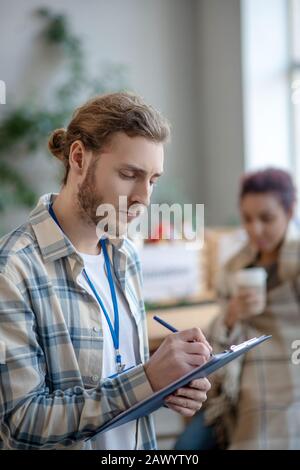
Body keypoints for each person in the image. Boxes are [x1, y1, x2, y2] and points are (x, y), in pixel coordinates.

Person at [0, 92, 211, 450]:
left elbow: (116, 375)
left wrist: (168, 384)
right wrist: (146, 379)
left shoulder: (125, 254)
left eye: (153, 180)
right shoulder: (13, 269)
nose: (144, 197)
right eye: (130, 174)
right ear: (79, 157)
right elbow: (22, 421)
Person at [175, 167, 300, 450]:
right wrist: (232, 315)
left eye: (267, 218)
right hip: (237, 382)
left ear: (290, 211)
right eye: (247, 219)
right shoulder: (234, 268)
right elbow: (218, 342)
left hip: (290, 376)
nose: (255, 229)